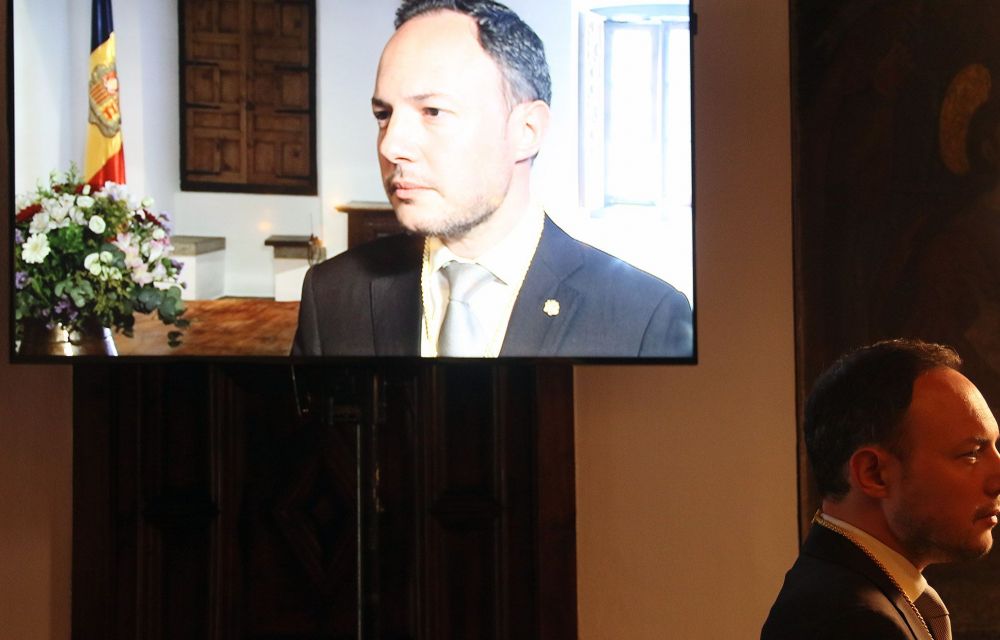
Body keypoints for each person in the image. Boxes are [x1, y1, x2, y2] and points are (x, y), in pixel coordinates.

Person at [292, 0, 693, 357]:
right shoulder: (330, 295)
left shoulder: (644, 321)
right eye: (384, 115)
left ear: (527, 131)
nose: (390, 145)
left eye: (432, 111)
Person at [761, 339, 1000, 639]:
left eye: (996, 447)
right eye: (971, 454)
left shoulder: (852, 594)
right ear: (873, 474)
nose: (997, 480)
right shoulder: (851, 623)